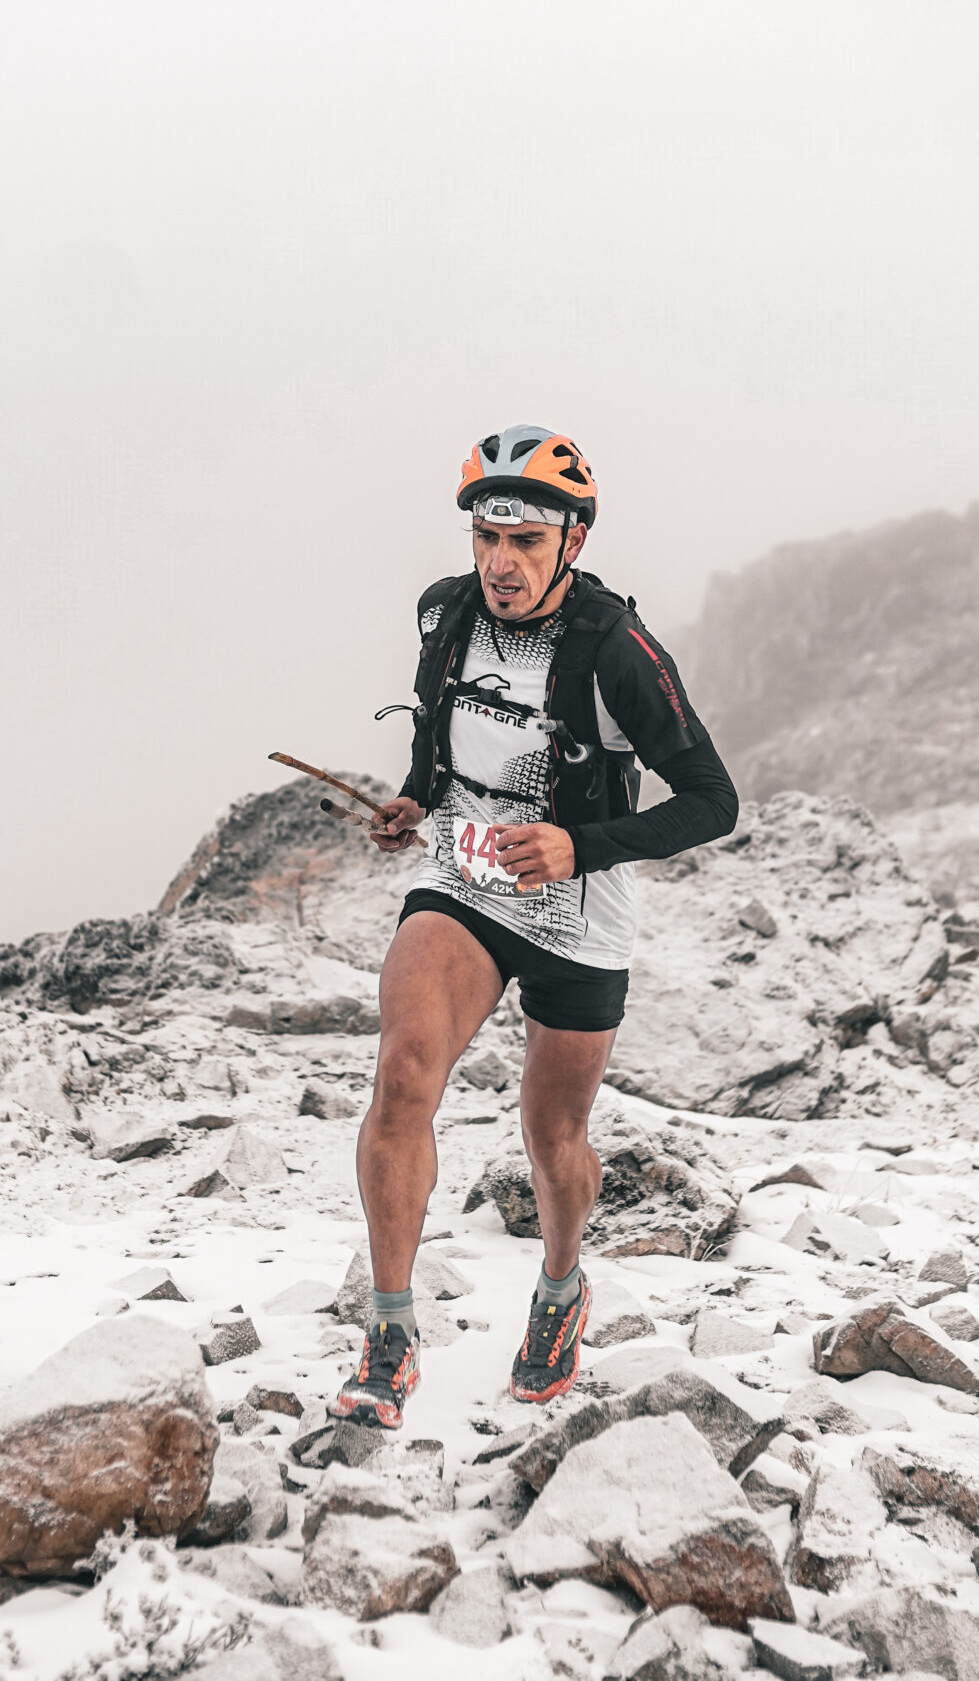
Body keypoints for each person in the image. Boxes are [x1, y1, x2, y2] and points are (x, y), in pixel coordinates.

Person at [331, 426, 740, 1429]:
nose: (501, 562)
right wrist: (415, 803)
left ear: (572, 544)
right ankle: (389, 1334)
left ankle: (560, 1290)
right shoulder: (446, 614)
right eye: (487, 538)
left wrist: (579, 845)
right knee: (402, 1075)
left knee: (552, 1136)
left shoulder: (618, 651)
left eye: (525, 541)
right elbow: (441, 739)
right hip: (465, 882)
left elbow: (710, 801)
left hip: (577, 911)